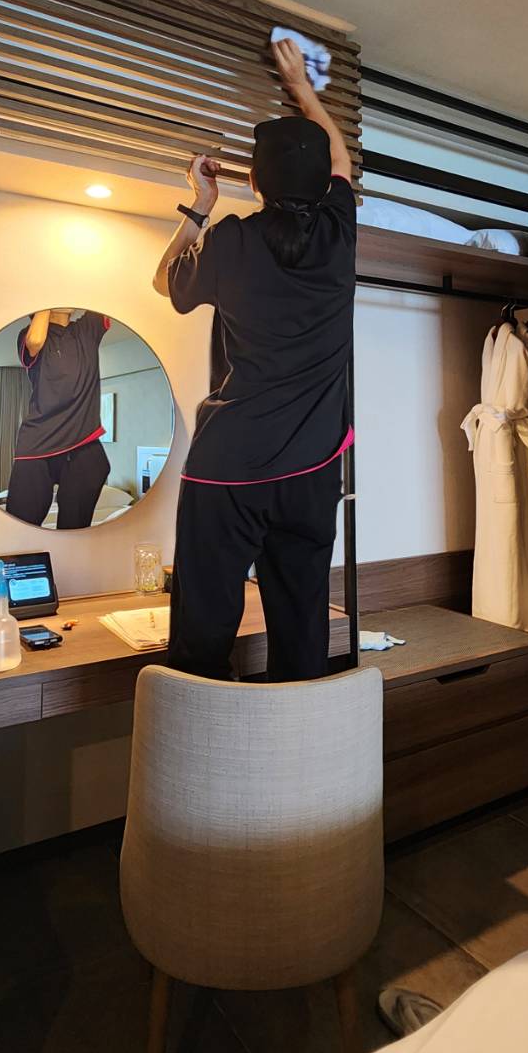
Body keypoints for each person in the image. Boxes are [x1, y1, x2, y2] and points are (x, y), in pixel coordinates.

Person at [153, 38, 356, 679]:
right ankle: (297, 741)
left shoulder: (231, 240)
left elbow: (164, 282)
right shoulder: (338, 235)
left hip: (229, 468)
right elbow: (342, 159)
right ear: (323, 184)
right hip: (313, 469)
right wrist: (301, 87)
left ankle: (199, 738)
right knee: (302, 624)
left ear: (253, 182)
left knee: (202, 632)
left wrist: (200, 204)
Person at [5, 308, 111, 529]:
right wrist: (46, 300)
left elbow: (105, 299)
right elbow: (35, 341)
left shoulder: (86, 330)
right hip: (38, 443)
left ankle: (69, 545)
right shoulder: (30, 335)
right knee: (20, 524)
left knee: (96, 464)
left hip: (81, 440)